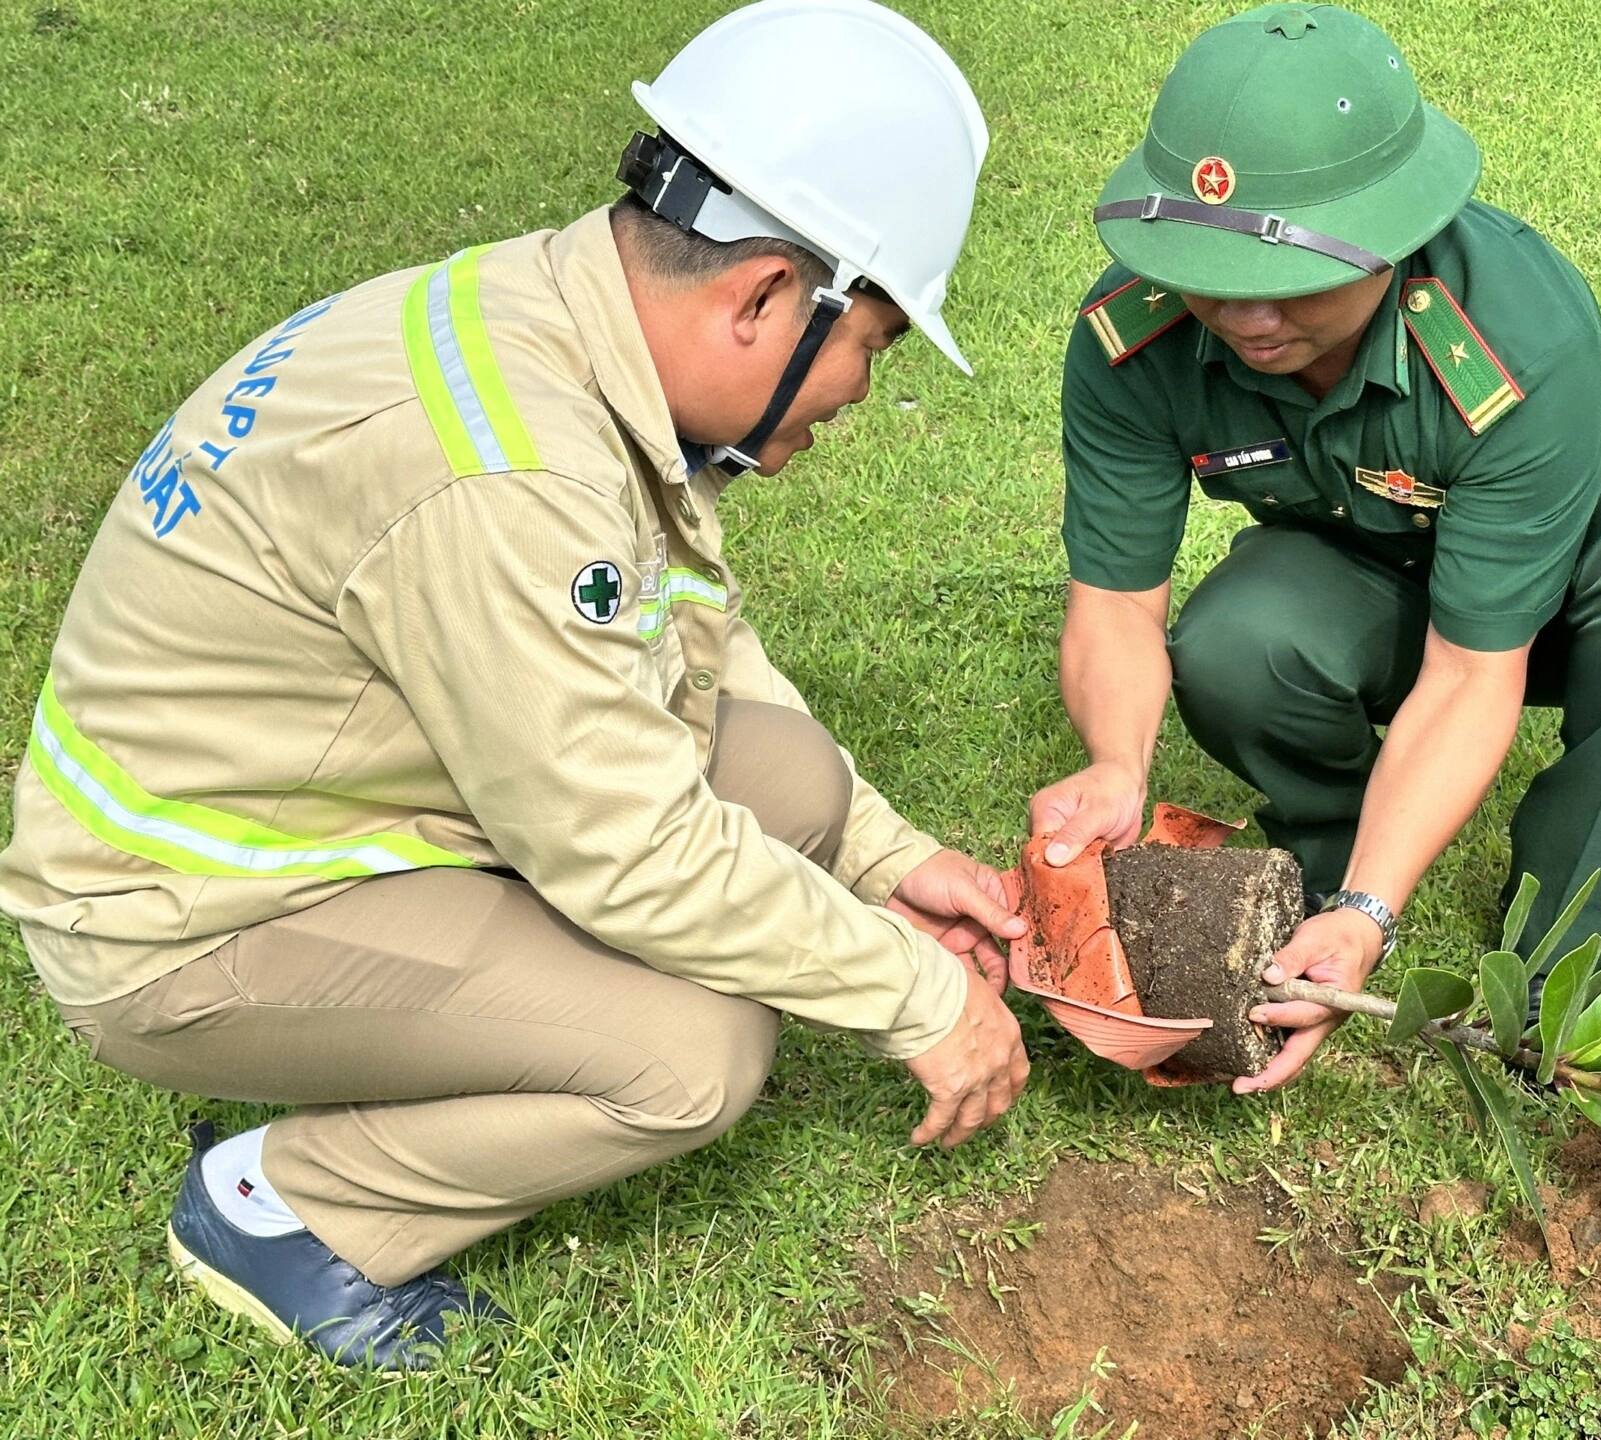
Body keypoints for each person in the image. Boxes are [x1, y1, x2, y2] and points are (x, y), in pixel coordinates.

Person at [0, 0, 1029, 1370]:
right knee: (694, 1052)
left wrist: (883, 862)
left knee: (792, 782)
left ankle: (488, 1013)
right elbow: (628, 850)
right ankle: (281, 1211)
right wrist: (922, 1000)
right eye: (876, 346)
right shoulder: (512, 472)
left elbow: (685, 632)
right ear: (767, 295)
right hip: (183, 913)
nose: (856, 394)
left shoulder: (550, 316)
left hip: (326, 785)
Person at [1029, 2, 1601, 1096]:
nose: (1245, 318)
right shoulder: (1132, 338)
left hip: (1572, 584)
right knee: (1238, 639)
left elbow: (1473, 669)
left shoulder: (1513, 332)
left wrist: (1380, 909)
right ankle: (1322, 885)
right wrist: (1116, 765)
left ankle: (1555, 960)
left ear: (1394, 236)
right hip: (1369, 564)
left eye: (1290, 282)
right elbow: (1114, 604)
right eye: (1211, 275)